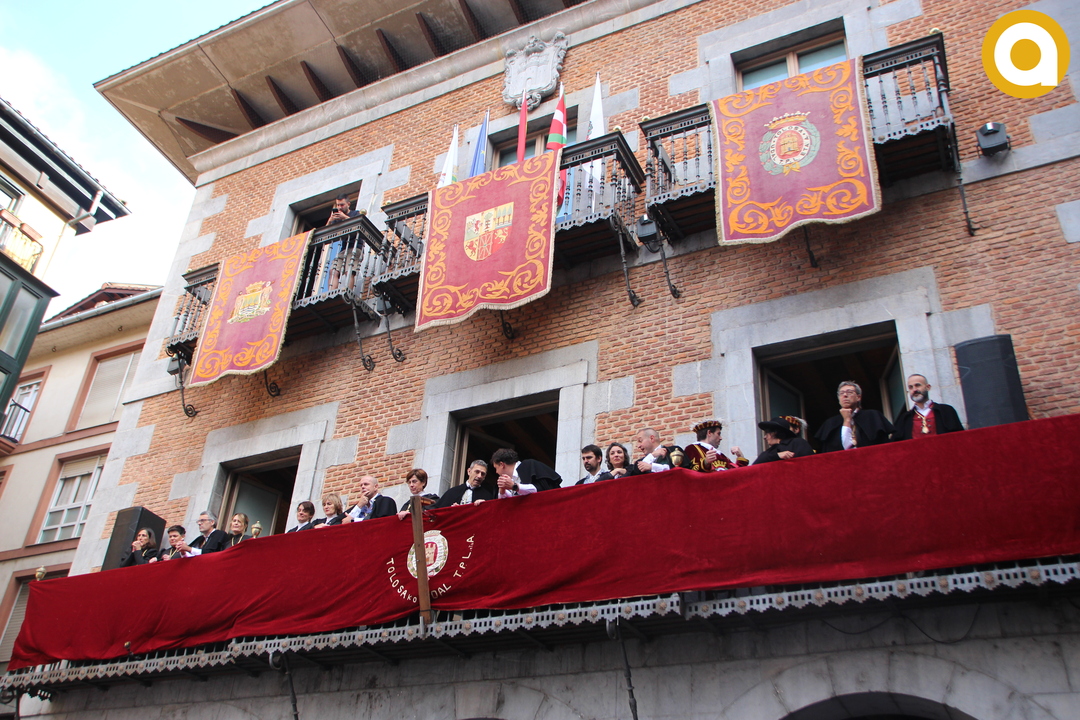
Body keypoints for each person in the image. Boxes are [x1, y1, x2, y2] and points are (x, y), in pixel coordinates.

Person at [815, 381, 894, 452]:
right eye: (841, 393)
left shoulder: (872, 416)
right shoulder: (830, 423)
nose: (845, 395)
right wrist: (847, 420)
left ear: (858, 397)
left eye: (849, 392)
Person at [892, 374, 964, 441]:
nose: (914, 390)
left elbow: (960, 438)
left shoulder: (946, 411)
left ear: (928, 387)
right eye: (911, 387)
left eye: (917, 385)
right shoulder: (904, 418)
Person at [490, 448, 562, 498]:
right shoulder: (504, 481)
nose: (496, 472)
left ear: (502, 465)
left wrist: (514, 486)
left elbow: (540, 489)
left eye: (496, 468)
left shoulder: (529, 465)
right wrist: (502, 491)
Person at [682, 419, 748, 471]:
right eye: (718, 434)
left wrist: (740, 457)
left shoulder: (720, 455)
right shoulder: (692, 448)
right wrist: (705, 462)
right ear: (709, 433)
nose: (721, 438)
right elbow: (691, 472)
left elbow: (735, 473)